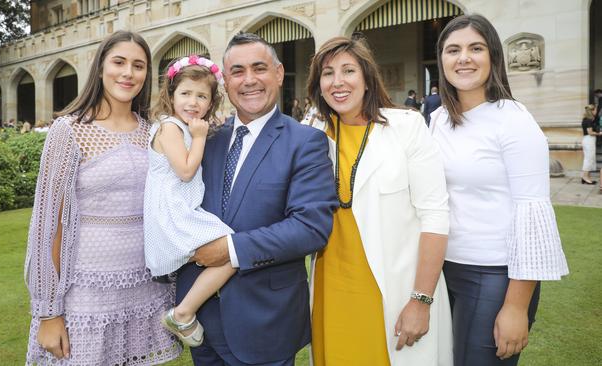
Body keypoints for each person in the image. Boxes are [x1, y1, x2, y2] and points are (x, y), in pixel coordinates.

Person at [177, 32, 337, 366]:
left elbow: (310, 228)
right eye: (237, 71)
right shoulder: (207, 139)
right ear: (226, 81)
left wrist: (230, 251)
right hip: (200, 320)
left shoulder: (305, 142)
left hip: (265, 323)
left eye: (259, 68)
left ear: (278, 74)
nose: (249, 80)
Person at [23, 30, 181, 365]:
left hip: (145, 285)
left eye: (138, 66)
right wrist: (49, 311)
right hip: (87, 289)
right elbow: (49, 225)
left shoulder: (154, 129)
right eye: (119, 62)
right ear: (100, 68)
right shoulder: (69, 130)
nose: (128, 73)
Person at [430, 14, 569, 366]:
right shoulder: (437, 120)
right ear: (441, 59)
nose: (463, 58)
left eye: (475, 48)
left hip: (493, 276)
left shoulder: (513, 120)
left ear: (493, 56)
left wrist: (516, 306)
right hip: (443, 270)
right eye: (453, 50)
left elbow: (532, 215)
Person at [306, 35, 452, 365]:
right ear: (318, 84)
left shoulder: (407, 127)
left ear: (368, 79)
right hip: (332, 292)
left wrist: (421, 300)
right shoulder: (313, 135)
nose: (338, 82)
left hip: (396, 292)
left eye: (348, 71)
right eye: (328, 73)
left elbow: (435, 217)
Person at [143, 55, 235, 347]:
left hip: (180, 208)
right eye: (185, 93)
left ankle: (184, 311)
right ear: (171, 95)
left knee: (229, 251)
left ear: (211, 102)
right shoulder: (170, 126)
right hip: (172, 213)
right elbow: (184, 171)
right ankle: (182, 313)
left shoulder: (183, 126)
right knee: (232, 250)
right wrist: (198, 137)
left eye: (201, 96)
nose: (193, 102)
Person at [581, 104, 600, 185]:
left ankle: (586, 177)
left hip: (588, 140)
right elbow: (590, 132)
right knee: (588, 159)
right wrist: (600, 133)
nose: (596, 111)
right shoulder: (588, 120)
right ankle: (585, 177)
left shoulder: (587, 119)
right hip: (589, 140)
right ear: (592, 111)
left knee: (589, 158)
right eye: (595, 110)